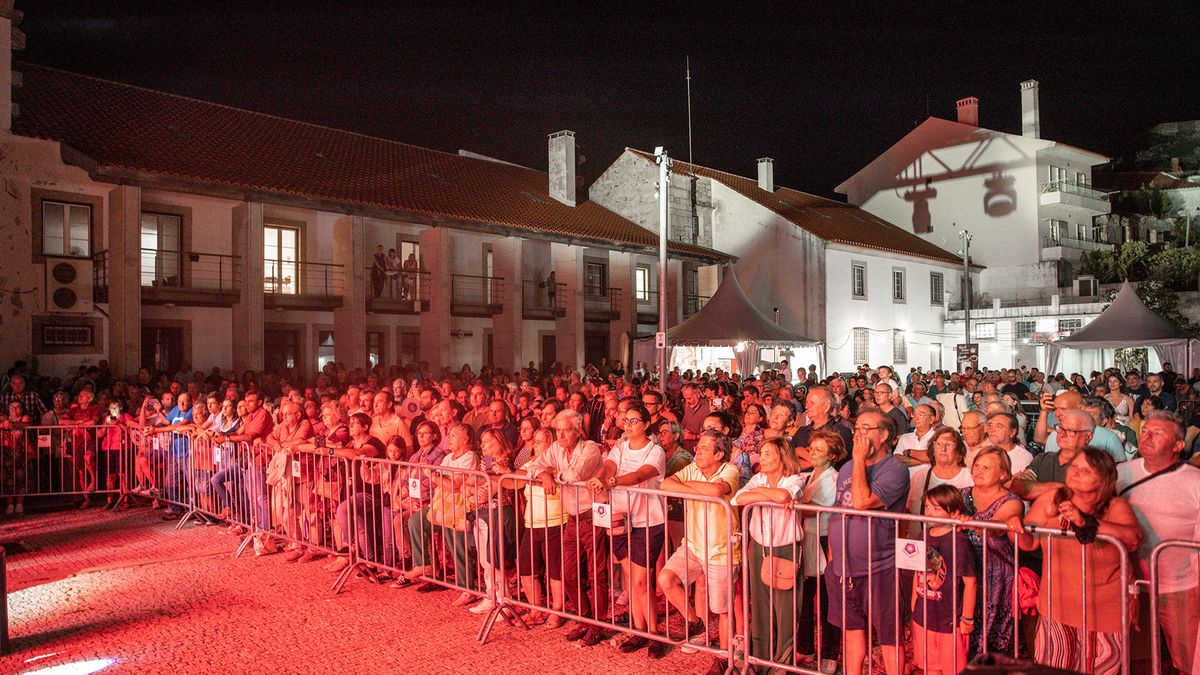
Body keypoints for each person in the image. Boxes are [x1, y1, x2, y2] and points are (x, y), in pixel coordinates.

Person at [1008, 447, 1142, 675]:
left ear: (1104, 478)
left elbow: (1133, 539)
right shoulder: (1052, 499)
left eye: (1086, 470)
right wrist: (1015, 527)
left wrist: (1086, 522)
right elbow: (1029, 544)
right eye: (1075, 467)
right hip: (1057, 609)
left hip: (1104, 615)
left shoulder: (1114, 507)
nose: (1076, 473)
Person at [825, 408, 910, 675]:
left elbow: (862, 502)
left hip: (879, 567)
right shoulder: (847, 467)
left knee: (888, 635)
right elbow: (839, 510)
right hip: (842, 567)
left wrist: (859, 459)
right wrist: (832, 557)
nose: (858, 435)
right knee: (851, 632)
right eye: (857, 429)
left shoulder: (895, 469)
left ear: (884, 435)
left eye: (865, 429)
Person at [1116, 410, 1200, 673]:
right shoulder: (1120, 473)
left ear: (1178, 445)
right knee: (1134, 659)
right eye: (1144, 431)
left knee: (1185, 658)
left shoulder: (1195, 482)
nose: (1147, 437)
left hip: (1179, 587)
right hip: (1127, 585)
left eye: (1157, 433)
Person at [586, 402, 668, 658]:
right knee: (631, 579)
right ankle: (638, 629)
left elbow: (640, 475)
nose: (628, 425)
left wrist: (612, 482)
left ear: (646, 424)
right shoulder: (620, 448)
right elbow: (609, 466)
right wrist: (600, 477)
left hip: (647, 519)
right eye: (626, 420)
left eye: (634, 421)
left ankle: (654, 634)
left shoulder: (655, 451)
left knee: (643, 580)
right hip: (621, 517)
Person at [659, 430, 742, 675]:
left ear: (719, 454)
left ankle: (726, 660)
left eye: (705, 448)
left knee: (722, 609)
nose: (698, 451)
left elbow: (717, 491)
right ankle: (696, 623)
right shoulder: (692, 468)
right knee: (666, 578)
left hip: (720, 550)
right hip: (693, 545)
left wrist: (686, 487)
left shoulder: (730, 470)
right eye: (699, 447)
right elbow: (665, 484)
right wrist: (699, 487)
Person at [529, 409, 610, 647]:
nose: (561, 434)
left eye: (566, 430)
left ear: (577, 431)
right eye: (558, 430)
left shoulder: (590, 448)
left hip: (593, 515)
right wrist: (545, 475)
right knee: (569, 573)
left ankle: (599, 625)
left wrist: (552, 473)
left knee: (597, 574)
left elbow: (575, 475)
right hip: (573, 518)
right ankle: (585, 620)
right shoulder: (555, 449)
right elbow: (535, 466)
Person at [733, 437, 806, 671]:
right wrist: (768, 494)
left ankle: (783, 663)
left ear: (782, 457)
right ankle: (760, 661)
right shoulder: (758, 478)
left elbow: (785, 496)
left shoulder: (795, 479)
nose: (761, 458)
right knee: (761, 605)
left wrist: (762, 495)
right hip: (759, 548)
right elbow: (738, 498)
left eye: (767, 454)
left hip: (785, 548)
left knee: (786, 608)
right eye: (761, 453)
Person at [960, 446, 1024, 658]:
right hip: (965, 572)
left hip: (996, 578)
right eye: (976, 465)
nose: (978, 470)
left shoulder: (1012, 501)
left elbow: (995, 525)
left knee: (991, 636)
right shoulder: (962, 495)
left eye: (986, 467)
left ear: (1003, 473)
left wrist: (971, 523)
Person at [911, 485, 977, 675]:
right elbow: (918, 572)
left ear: (954, 512)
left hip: (950, 621)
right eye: (927, 507)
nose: (929, 512)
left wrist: (966, 618)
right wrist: (914, 604)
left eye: (936, 508)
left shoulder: (960, 543)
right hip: (924, 616)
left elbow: (970, 583)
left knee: (952, 669)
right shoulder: (922, 536)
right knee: (929, 667)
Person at [796, 430, 844, 674]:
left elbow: (808, 509)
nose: (811, 452)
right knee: (804, 598)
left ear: (832, 455)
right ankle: (805, 647)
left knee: (828, 602)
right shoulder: (809, 476)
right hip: (808, 539)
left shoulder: (834, 479)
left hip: (826, 541)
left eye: (818, 450)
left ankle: (830, 654)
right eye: (811, 448)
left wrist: (787, 501)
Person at [906, 427, 973, 525]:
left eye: (949, 444)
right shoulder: (920, 476)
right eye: (939, 443)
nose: (943, 448)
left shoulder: (970, 478)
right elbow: (908, 510)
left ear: (959, 452)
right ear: (932, 450)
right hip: (919, 538)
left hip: (955, 538)